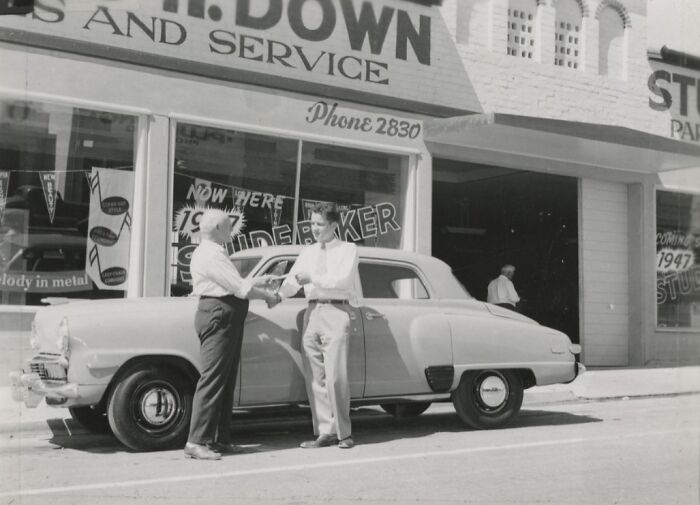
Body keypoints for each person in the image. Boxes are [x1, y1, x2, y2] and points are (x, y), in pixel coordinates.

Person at [184, 209, 278, 461]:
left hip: (224, 315)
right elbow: (239, 288)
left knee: (224, 380)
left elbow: (232, 283)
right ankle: (196, 441)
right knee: (213, 379)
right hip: (219, 314)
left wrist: (258, 280)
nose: (232, 231)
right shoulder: (211, 253)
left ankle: (218, 439)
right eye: (228, 227)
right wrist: (268, 295)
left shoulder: (213, 252)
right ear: (216, 228)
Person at [275, 202, 359, 449]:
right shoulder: (308, 252)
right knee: (315, 377)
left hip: (336, 309)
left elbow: (342, 280)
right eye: (311, 223)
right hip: (312, 312)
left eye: (320, 224)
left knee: (336, 376)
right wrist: (277, 296)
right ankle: (326, 432)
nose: (314, 229)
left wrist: (313, 278)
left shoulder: (348, 249)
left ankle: (345, 433)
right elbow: (292, 281)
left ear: (333, 225)